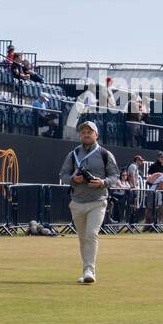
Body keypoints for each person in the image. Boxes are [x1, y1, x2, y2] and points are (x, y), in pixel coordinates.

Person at [58, 120, 119, 283]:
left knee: (92, 234)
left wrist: (103, 182)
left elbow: (115, 176)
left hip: (97, 201)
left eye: (89, 131)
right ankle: (86, 269)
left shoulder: (105, 154)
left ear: (96, 135)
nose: (86, 134)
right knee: (83, 238)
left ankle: (90, 271)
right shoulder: (73, 154)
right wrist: (73, 179)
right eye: (83, 131)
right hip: (77, 202)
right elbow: (63, 175)